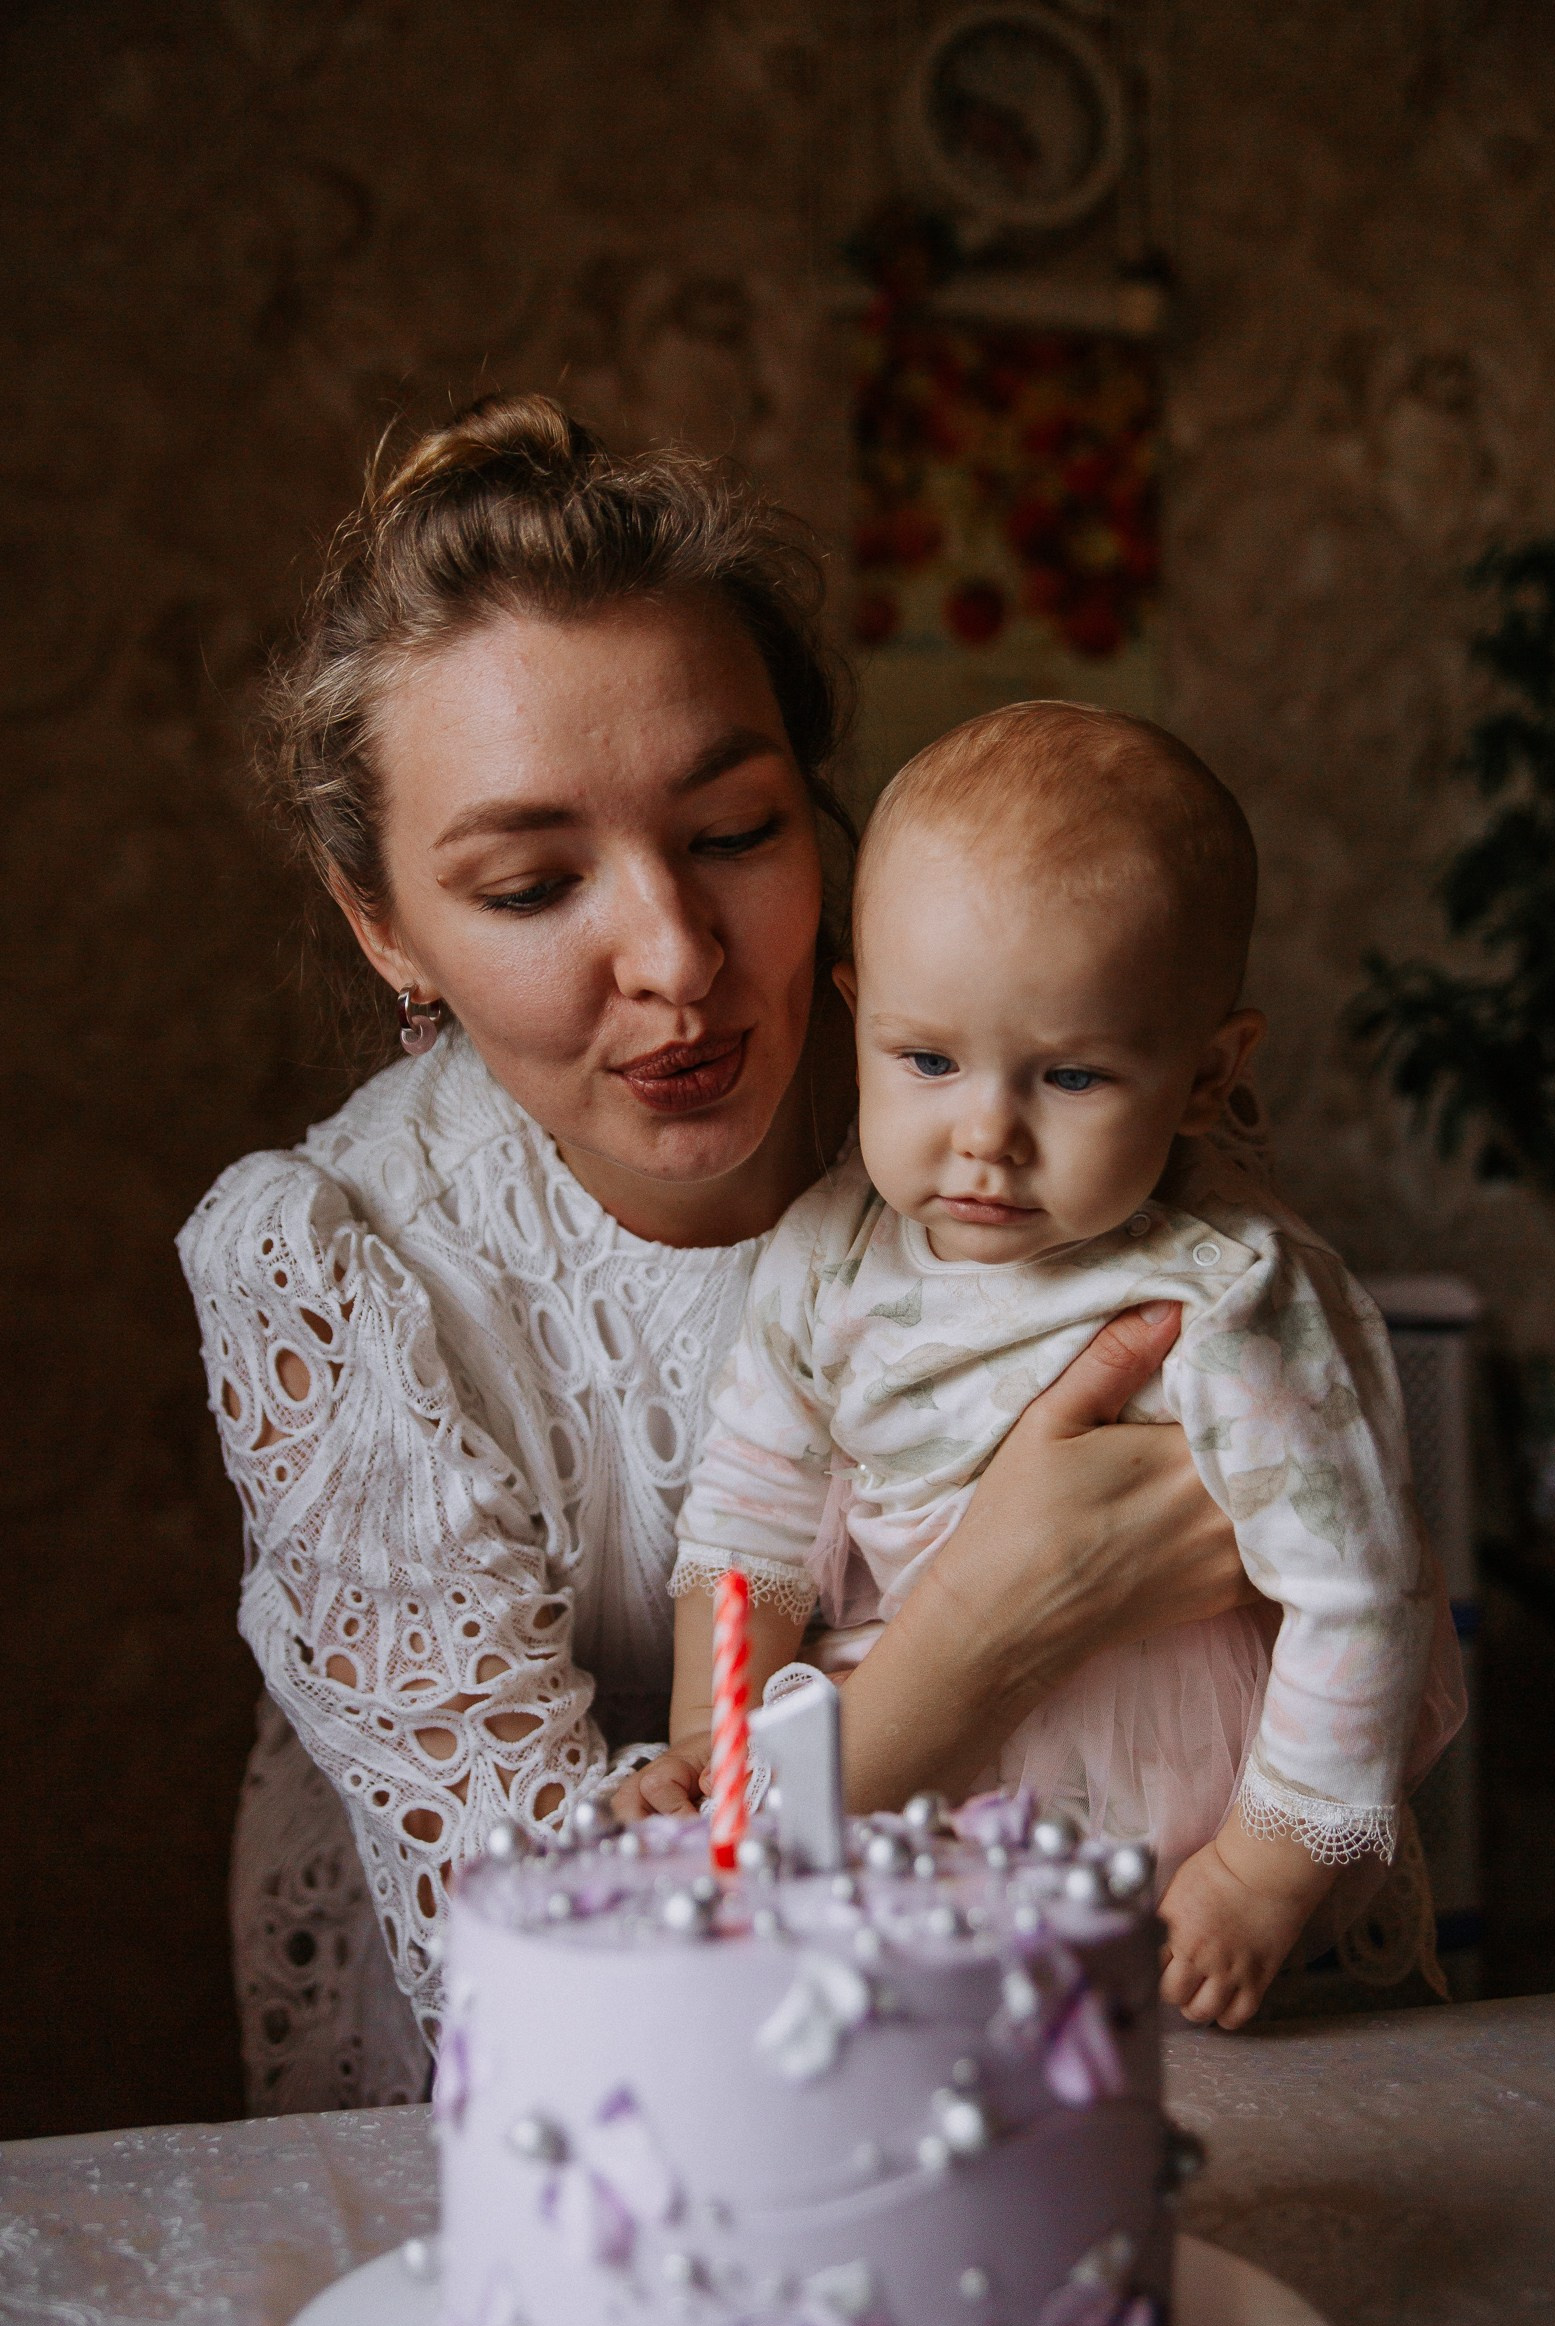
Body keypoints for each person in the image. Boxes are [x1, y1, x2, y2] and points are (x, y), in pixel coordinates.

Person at [181, 394, 1278, 2112]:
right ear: (381, 922)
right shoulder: (332, 1271)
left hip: (1015, 2060)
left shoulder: (1005, 1113)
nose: (679, 959)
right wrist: (985, 1631)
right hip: (585, 2138)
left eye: (735, 833)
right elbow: (562, 1971)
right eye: (536, 887)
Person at [636, 703, 1466, 2030]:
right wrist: (710, 1741)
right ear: (859, 1019)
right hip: (915, 1807)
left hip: (1172, 1835)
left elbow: (1360, 1596)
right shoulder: (831, 1256)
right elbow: (748, 1525)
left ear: (1205, 1077)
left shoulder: (1226, 1296)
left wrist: (1262, 1875)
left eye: (1070, 1077)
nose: (986, 1137)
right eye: (926, 1060)